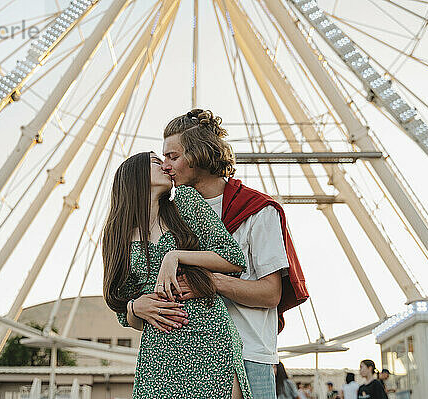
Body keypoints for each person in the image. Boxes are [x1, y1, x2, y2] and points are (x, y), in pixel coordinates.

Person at [130, 108, 308, 398]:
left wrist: (210, 282)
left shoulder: (258, 212)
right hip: (186, 354)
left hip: (248, 351)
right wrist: (135, 307)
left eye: (173, 156)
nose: (165, 166)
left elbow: (271, 294)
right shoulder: (170, 215)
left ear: (199, 155)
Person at [102, 152, 252, 398]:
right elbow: (121, 311)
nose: (165, 165)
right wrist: (134, 307)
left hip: (210, 335)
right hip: (160, 349)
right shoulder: (117, 236)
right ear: (135, 175)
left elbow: (233, 259)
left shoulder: (186, 203)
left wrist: (175, 256)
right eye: (155, 161)